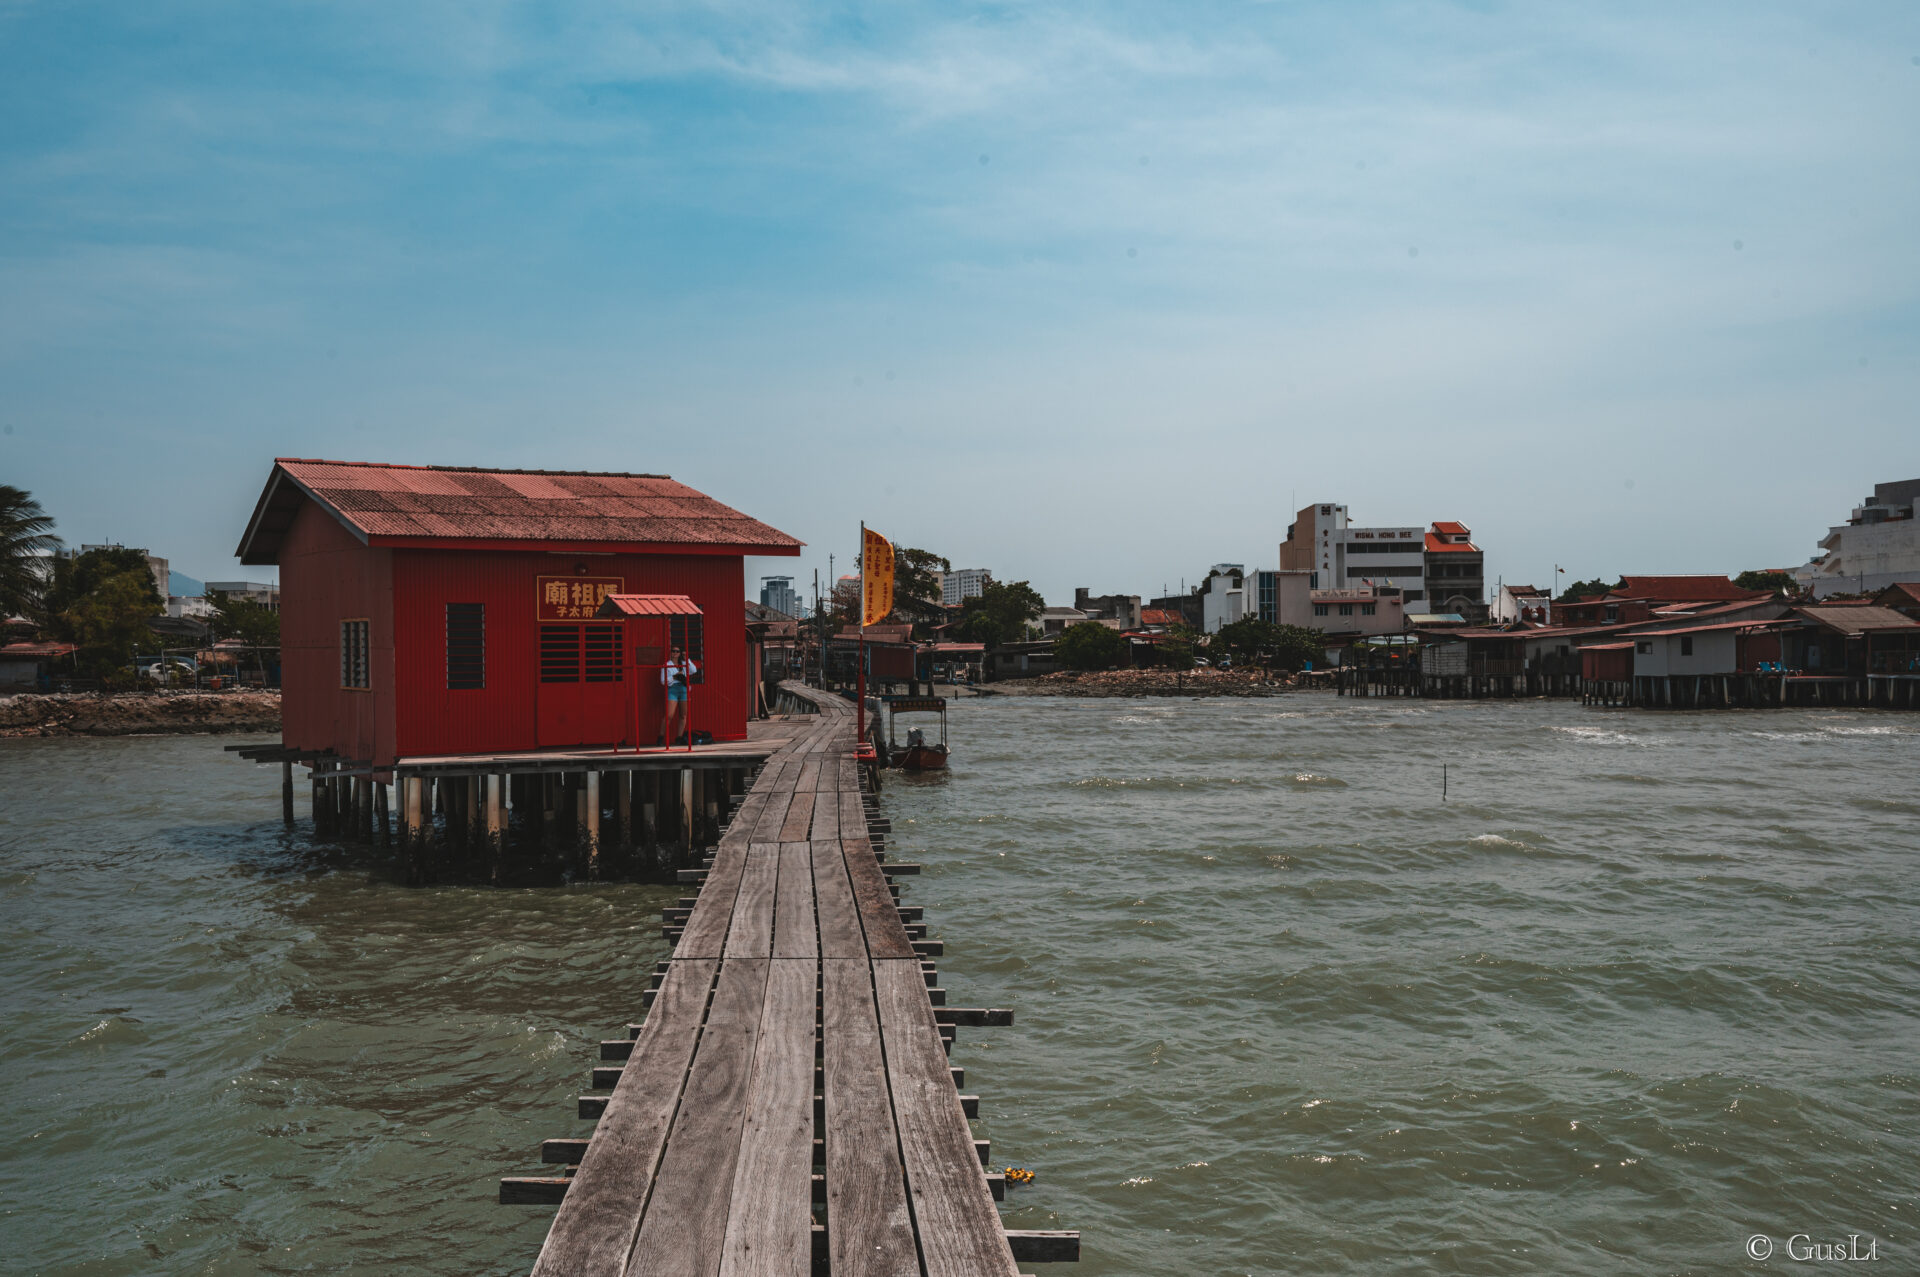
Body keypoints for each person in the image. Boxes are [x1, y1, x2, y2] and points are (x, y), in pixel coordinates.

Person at [663, 646, 699, 745]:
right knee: (669, 715)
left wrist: (686, 657)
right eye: (673, 651)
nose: (675, 653)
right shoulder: (667, 664)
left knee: (683, 715)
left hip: (683, 689)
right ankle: (661, 737)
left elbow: (694, 670)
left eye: (677, 651)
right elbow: (663, 681)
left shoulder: (683, 664)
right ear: (670, 653)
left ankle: (679, 737)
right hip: (673, 688)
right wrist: (675, 677)